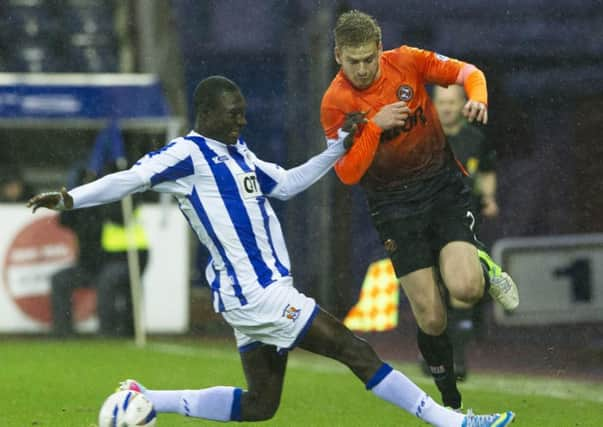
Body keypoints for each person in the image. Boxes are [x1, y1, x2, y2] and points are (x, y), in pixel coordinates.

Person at [28, 75, 514, 426]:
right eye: (233, 111)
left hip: (258, 292)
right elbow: (130, 179)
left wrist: (338, 149)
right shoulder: (186, 154)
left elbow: (285, 184)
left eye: (243, 110)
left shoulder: (240, 155)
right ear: (208, 113)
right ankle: (452, 421)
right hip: (255, 293)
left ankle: (145, 397)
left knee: (261, 405)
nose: (242, 118)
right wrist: (71, 198)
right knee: (354, 350)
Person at [320, 10, 518, 410]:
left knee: (465, 289)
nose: (361, 69)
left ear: (379, 48)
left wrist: (478, 98)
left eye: (368, 59)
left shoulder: (408, 60)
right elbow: (346, 172)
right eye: (352, 61)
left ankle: (484, 268)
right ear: (338, 55)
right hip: (392, 207)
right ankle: (451, 403)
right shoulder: (335, 103)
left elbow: (468, 73)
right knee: (431, 318)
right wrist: (373, 126)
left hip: (441, 189)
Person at [433, 85, 499, 380]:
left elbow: (486, 172)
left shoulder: (476, 139)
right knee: (433, 291)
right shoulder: (422, 137)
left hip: (464, 219)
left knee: (460, 286)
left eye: (452, 102)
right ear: (433, 105)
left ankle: (458, 359)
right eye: (441, 102)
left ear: (462, 105)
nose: (446, 108)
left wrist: (489, 198)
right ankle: (435, 353)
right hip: (426, 220)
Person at [50, 166, 149, 337]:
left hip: (116, 262)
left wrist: (98, 197)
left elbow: (119, 216)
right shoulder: (81, 211)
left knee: (107, 280)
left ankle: (108, 332)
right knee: (60, 280)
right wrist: (70, 197)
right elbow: (64, 220)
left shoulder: (110, 204)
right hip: (89, 267)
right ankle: (64, 333)